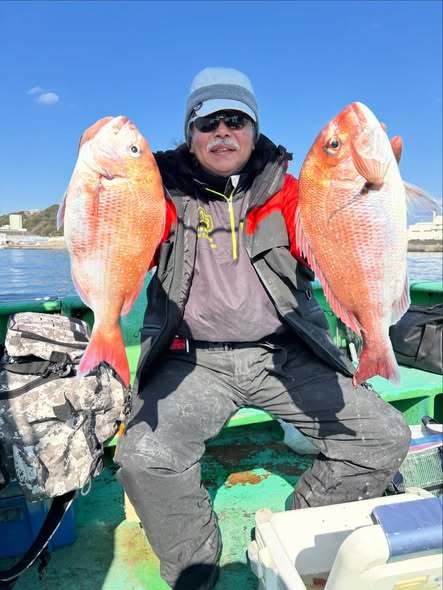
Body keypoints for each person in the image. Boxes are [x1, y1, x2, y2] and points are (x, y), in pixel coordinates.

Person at [114, 67, 410, 590]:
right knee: (144, 458)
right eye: (208, 123)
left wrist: (363, 195)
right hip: (192, 359)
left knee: (384, 437)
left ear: (254, 130)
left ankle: (288, 536)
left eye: (236, 120)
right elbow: (120, 236)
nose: (222, 132)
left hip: (284, 354)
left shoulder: (297, 191)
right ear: (190, 132)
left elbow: (331, 247)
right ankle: (196, 565)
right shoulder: (157, 193)